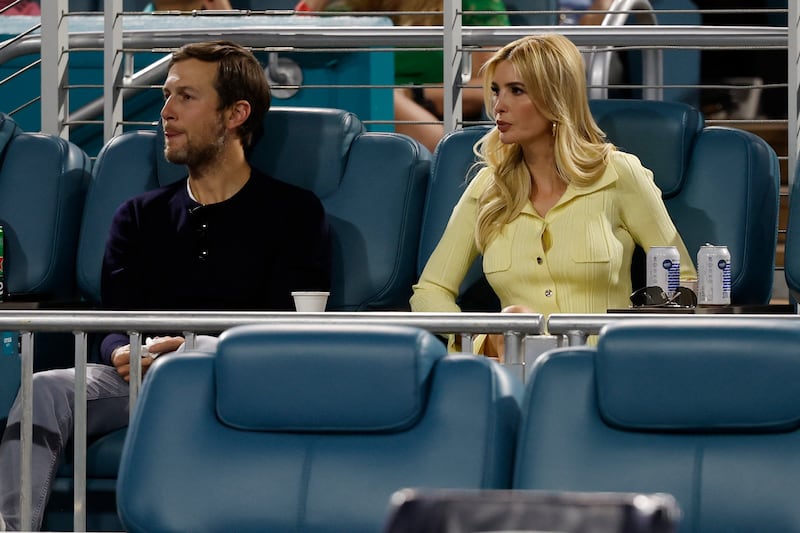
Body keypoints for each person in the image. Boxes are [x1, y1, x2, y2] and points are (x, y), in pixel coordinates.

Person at [0, 40, 331, 531]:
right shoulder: (138, 215)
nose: (166, 113)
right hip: (142, 374)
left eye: (186, 97)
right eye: (166, 96)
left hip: (237, 374)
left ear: (236, 113)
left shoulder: (294, 212)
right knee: (47, 387)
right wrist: (120, 353)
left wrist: (199, 347)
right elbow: (117, 319)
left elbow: (288, 324)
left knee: (198, 366)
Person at [410, 33, 696, 356]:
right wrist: (483, 339)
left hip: (606, 369)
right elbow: (429, 291)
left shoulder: (619, 174)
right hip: (517, 374)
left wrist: (638, 344)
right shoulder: (488, 186)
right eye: (496, 91)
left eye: (516, 91)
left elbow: (683, 277)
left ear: (554, 97)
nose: (498, 106)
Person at [295, 0, 511, 153]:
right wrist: (314, 4)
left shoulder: (471, 4)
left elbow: (491, 87)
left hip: (429, 117)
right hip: (348, 108)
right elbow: (292, 63)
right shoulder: (344, 7)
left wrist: (415, 94)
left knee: (376, 93)